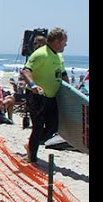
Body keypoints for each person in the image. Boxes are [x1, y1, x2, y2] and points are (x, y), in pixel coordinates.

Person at [20, 27, 68, 165]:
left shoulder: (58, 56)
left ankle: (30, 146)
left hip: (52, 97)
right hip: (36, 96)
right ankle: (32, 159)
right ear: (57, 41)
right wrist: (33, 85)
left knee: (53, 127)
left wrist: (71, 92)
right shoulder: (41, 54)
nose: (65, 45)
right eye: (64, 42)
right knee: (38, 126)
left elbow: (63, 75)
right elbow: (26, 71)